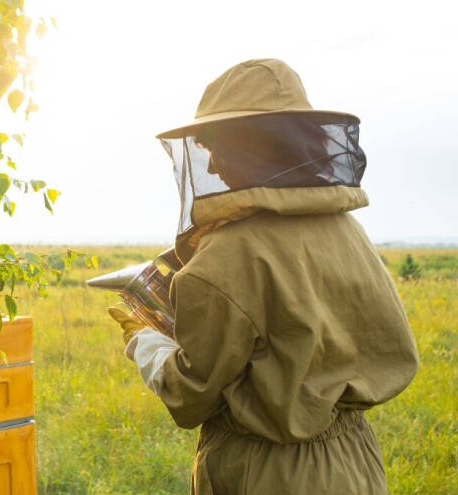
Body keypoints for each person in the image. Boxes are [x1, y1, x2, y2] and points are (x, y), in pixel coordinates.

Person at [110, 59, 419, 494]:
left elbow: (191, 395)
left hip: (268, 475)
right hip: (355, 465)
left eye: (215, 147)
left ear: (253, 146)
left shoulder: (229, 253)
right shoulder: (349, 232)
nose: (213, 167)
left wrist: (148, 347)